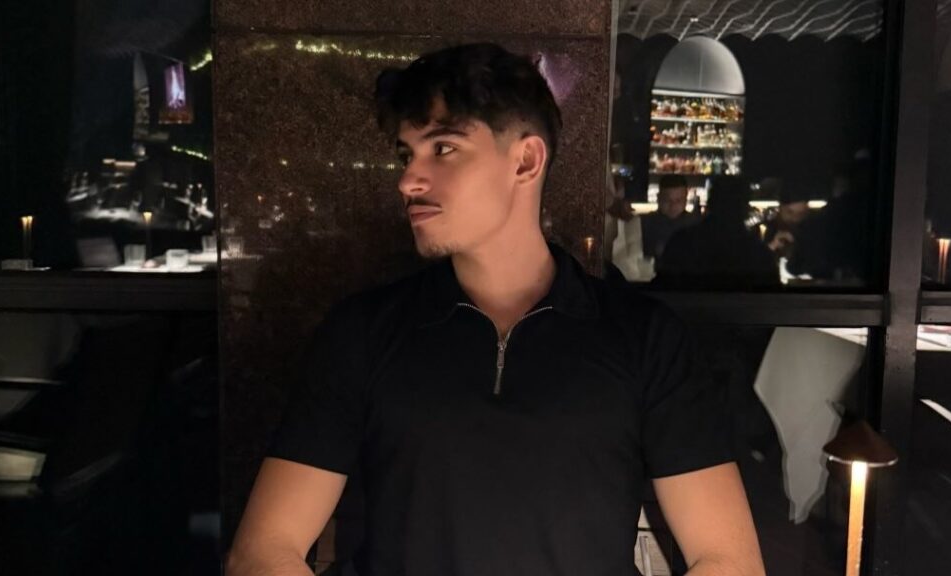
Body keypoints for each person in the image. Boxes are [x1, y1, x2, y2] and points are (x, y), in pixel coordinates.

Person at [227, 43, 765, 576]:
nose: (408, 180)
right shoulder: (363, 332)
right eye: (406, 155)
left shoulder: (643, 338)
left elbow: (727, 559)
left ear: (526, 160)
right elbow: (263, 551)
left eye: (442, 148)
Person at [641, 174, 702, 262]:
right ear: (658, 198)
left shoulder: (697, 225)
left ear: (686, 199)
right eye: (667, 200)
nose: (673, 206)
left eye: (678, 201)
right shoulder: (644, 224)